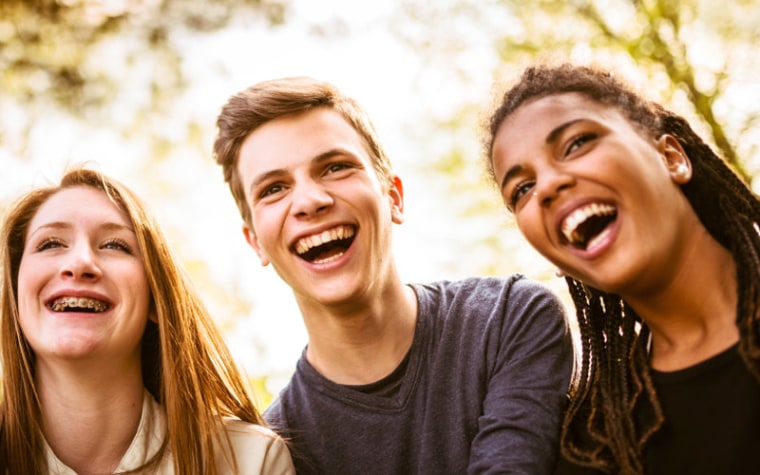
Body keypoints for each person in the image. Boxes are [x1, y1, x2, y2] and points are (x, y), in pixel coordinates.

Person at [211, 76, 574, 474]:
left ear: (394, 197)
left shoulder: (507, 321)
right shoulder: (274, 453)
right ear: (255, 242)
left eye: (335, 167)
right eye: (274, 189)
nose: (311, 201)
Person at [486, 63, 760, 475]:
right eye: (521, 189)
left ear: (671, 157)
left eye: (576, 143)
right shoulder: (596, 445)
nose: (546, 187)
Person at [0, 166, 295, 474]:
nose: (80, 263)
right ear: (17, 294)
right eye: (50, 244)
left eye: (115, 245)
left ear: (156, 298)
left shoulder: (249, 461)